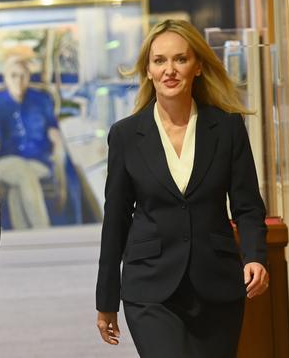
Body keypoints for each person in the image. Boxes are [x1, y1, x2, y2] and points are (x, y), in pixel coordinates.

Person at [95, 19, 269, 358]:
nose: (169, 70)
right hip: (150, 289)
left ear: (198, 66)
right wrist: (106, 299)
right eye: (159, 61)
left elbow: (247, 205)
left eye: (180, 59)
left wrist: (255, 256)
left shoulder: (228, 128)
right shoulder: (126, 136)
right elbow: (115, 218)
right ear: (147, 70)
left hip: (217, 284)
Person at [0, 56, 78, 229]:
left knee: (19, 185)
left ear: (28, 77)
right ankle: (43, 229)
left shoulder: (41, 100)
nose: (18, 80)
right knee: (24, 173)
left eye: (22, 75)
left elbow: (52, 128)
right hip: (5, 162)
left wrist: (58, 142)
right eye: (13, 75)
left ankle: (22, 234)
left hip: (38, 161)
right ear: (6, 78)